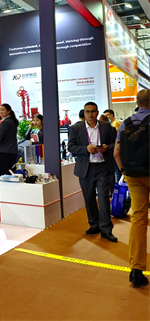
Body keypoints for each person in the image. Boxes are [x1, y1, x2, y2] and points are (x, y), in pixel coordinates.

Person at [114, 89, 150, 287]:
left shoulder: (125, 123)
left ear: (137, 102)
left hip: (133, 176)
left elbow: (117, 152)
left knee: (138, 218)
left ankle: (136, 269)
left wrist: (124, 172)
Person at [68, 101, 117, 242]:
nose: (90, 114)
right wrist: (86, 149)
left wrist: (107, 148)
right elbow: (71, 147)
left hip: (103, 167)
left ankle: (106, 229)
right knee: (89, 198)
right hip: (86, 168)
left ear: (97, 112)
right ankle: (94, 224)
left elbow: (115, 143)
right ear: (84, 113)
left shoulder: (106, 127)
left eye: (93, 111)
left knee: (103, 198)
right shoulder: (76, 128)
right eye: (87, 111)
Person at [0, 103, 18, 177]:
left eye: (3, 110)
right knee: (11, 174)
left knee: (2, 175)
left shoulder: (5, 122)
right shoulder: (12, 121)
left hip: (4, 152)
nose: (1, 112)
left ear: (8, 111)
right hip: (11, 151)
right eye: (0, 110)